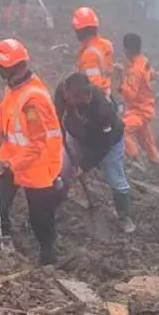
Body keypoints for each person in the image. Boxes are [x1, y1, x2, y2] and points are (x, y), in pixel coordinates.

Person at [0, 39, 66, 265]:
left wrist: (8, 165)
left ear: (5, 68)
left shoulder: (33, 100)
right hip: (11, 155)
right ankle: (2, 245)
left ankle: (48, 259)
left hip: (38, 163)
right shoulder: (13, 87)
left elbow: (37, 142)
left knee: (40, 217)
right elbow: (4, 113)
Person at [55, 72, 136, 233]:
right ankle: (57, 206)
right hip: (78, 135)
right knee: (63, 169)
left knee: (115, 178)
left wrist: (84, 166)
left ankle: (125, 216)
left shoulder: (102, 110)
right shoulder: (64, 89)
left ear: (82, 97)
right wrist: (60, 136)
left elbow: (103, 146)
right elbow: (57, 115)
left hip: (109, 142)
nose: (66, 101)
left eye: (70, 98)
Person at [116, 33, 159, 165]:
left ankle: (136, 162)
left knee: (122, 130)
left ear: (126, 50)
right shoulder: (144, 61)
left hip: (139, 111)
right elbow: (152, 75)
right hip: (147, 108)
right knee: (146, 141)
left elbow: (130, 95)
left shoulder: (135, 70)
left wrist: (121, 79)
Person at [72, 7, 114, 96]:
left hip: (97, 104)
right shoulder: (105, 45)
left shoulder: (89, 55)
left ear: (79, 31)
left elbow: (94, 88)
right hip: (108, 97)